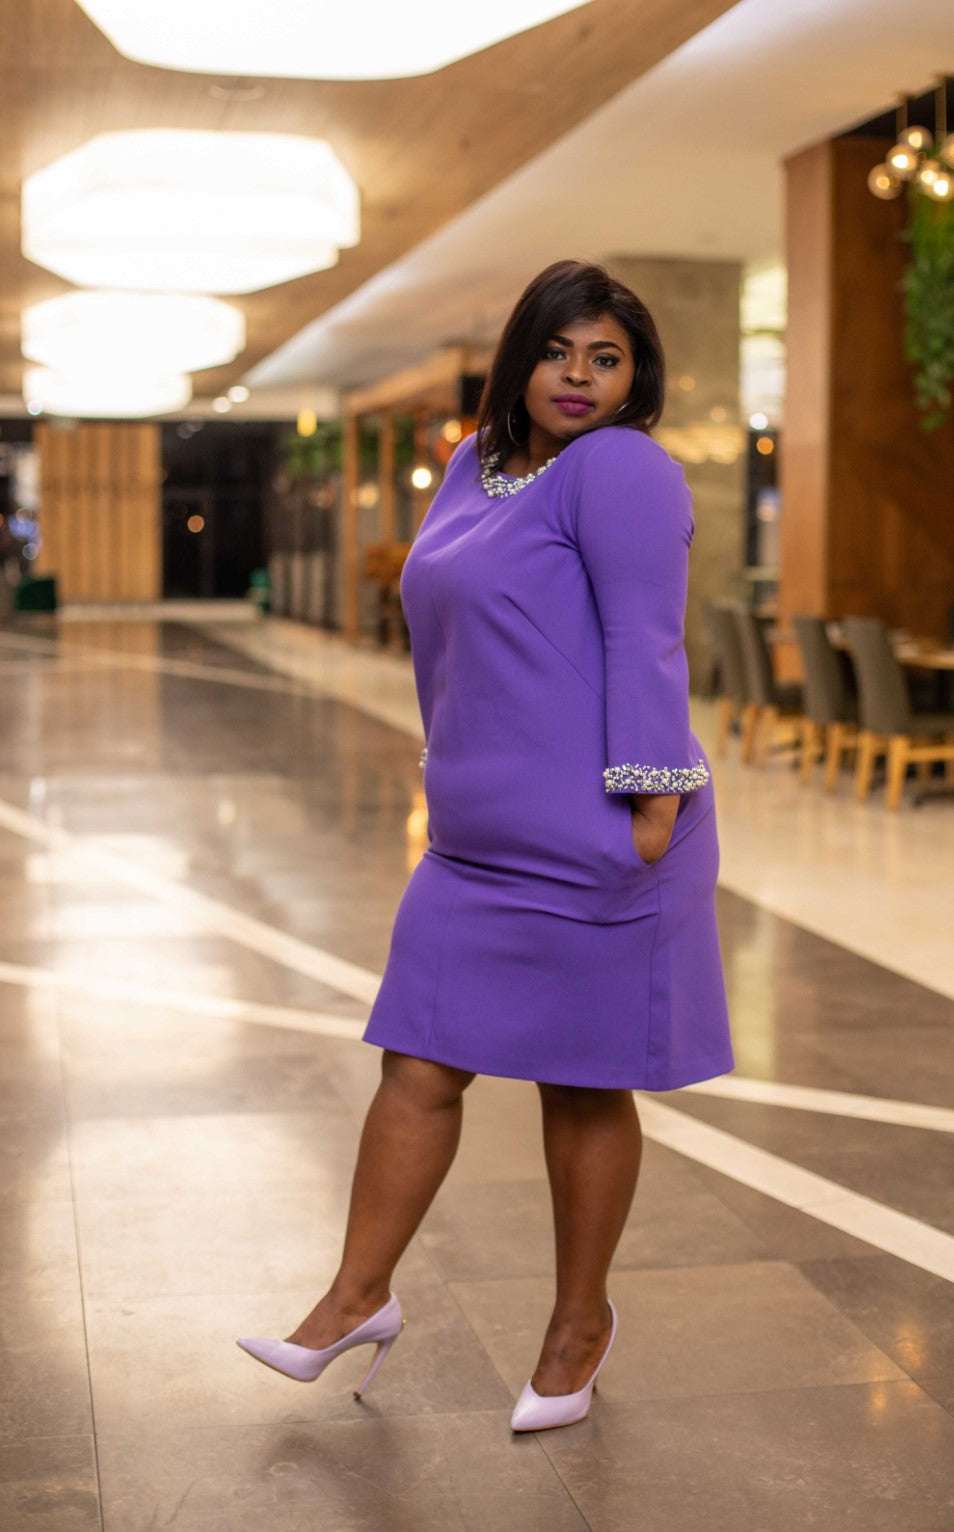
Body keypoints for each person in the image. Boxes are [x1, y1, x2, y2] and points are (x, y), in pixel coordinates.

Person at [238, 260, 734, 1431]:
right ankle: (356, 1297)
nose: (579, 376)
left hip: (606, 827)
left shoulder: (622, 469)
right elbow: (444, 638)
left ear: (634, 377)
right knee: (416, 1061)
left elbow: (647, 643)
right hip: (474, 834)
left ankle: (579, 1326)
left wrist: (651, 810)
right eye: (560, 350)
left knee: (582, 1079)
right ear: (521, 356)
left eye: (605, 357)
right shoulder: (473, 465)